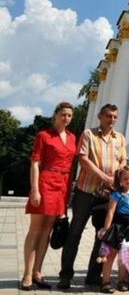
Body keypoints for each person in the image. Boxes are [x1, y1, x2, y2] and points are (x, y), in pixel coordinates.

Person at [59, 103, 127, 290]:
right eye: (108, 116)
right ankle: (65, 275)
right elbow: (83, 159)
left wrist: (116, 177)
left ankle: (93, 275)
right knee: (75, 233)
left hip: (106, 195)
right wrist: (104, 177)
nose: (111, 120)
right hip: (86, 192)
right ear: (100, 116)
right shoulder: (89, 134)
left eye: (114, 116)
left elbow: (123, 160)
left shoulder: (120, 138)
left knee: (102, 236)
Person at [22, 102, 76, 291]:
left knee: (47, 231)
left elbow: (70, 166)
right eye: (63, 114)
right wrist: (35, 189)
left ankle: (37, 272)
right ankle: (27, 274)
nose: (66, 118)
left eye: (69, 115)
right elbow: (35, 163)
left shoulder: (72, 137)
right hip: (45, 181)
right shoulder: (43, 135)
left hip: (62, 185)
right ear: (55, 115)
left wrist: (68, 192)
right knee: (35, 230)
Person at [100, 167, 129, 293]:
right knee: (110, 255)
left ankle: (122, 281)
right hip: (118, 226)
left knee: (126, 256)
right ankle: (106, 282)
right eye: (125, 178)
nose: (128, 181)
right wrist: (107, 229)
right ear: (120, 179)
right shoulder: (116, 194)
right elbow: (110, 211)